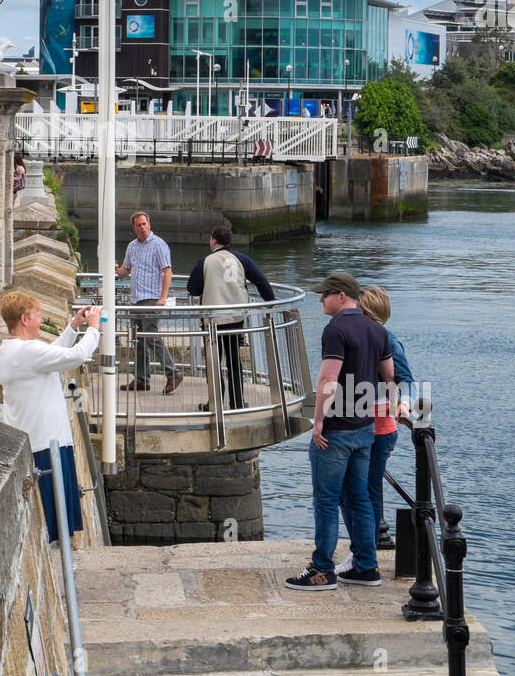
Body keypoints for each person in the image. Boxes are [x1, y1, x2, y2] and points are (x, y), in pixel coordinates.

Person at [285, 271, 394, 591]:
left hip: (335, 433)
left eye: (325, 294)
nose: (321, 299)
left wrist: (318, 423)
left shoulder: (336, 330)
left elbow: (327, 382)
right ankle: (366, 566)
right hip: (364, 429)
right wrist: (386, 411)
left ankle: (322, 570)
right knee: (359, 498)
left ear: (342, 296)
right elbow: (389, 378)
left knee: (326, 500)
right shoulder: (377, 330)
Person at [0, 291, 101, 542]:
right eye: (37, 315)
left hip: (38, 441)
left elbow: (49, 356)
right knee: (53, 523)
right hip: (45, 446)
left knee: (51, 521)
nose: (41, 320)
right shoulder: (28, 352)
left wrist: (74, 327)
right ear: (24, 319)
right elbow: (74, 357)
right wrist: (94, 329)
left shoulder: (11, 350)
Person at [336, 285, 416, 574]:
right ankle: (362, 552)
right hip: (360, 424)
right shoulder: (364, 336)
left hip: (378, 428)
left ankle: (363, 556)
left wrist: (404, 405)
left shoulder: (387, 340)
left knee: (361, 492)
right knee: (356, 492)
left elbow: (406, 379)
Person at [187, 223, 275, 410]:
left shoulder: (205, 261)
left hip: (212, 320)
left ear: (213, 241)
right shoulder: (242, 259)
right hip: (236, 318)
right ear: (229, 242)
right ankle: (237, 402)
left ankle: (215, 402)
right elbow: (261, 281)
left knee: (214, 362)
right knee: (234, 360)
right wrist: (271, 300)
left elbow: (192, 288)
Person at [116, 211, 181, 394]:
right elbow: (126, 270)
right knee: (139, 340)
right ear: (134, 227)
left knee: (150, 336)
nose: (142, 227)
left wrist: (163, 297)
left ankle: (173, 373)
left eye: (144, 224)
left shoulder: (159, 245)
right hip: (136, 299)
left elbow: (167, 271)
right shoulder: (132, 246)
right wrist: (114, 268)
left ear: (149, 224)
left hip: (152, 298)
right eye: (139, 225)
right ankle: (142, 379)